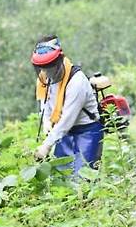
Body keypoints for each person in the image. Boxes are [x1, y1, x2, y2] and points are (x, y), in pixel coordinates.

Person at [31, 35, 103, 175]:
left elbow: (66, 120)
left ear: (59, 60)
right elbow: (45, 102)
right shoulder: (45, 78)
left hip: (86, 130)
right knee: (61, 177)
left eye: (49, 66)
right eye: (42, 67)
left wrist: (46, 146)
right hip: (63, 133)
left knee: (83, 177)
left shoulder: (76, 82)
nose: (46, 71)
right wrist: (46, 121)